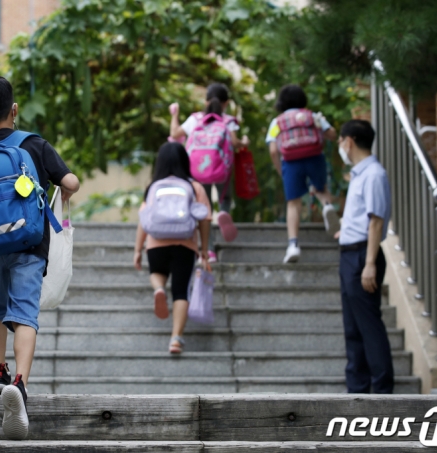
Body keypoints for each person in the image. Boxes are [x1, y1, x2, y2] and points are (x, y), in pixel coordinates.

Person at [0, 75, 80, 439]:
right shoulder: (33, 144)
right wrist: (63, 187)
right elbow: (71, 182)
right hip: (29, 246)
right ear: (14, 110)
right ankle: (20, 383)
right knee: (24, 313)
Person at [133, 142, 212, 354]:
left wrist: (137, 250)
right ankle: (176, 338)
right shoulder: (194, 186)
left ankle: (158, 288)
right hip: (185, 244)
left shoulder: (152, 186)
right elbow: (205, 218)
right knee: (181, 292)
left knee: (157, 273)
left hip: (156, 243)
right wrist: (204, 249)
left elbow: (143, 219)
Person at [335, 119, 394, 394]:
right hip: (351, 253)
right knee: (353, 328)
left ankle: (382, 392)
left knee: (369, 326)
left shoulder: (373, 174)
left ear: (350, 141)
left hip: (362, 257)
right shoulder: (360, 174)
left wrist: (369, 263)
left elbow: (376, 222)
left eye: (340, 141)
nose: (340, 147)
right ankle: (357, 392)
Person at [169, 83, 249, 262]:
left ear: (205, 101)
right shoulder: (228, 121)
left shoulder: (195, 119)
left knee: (204, 209)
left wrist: (174, 114)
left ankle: (209, 250)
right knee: (225, 197)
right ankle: (224, 213)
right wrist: (244, 142)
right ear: (226, 103)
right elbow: (235, 143)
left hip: (198, 170)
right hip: (221, 168)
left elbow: (174, 134)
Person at [266, 84, 340, 263]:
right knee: (321, 189)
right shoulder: (312, 116)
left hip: (291, 162)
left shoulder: (277, 122)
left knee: (294, 203)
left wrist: (280, 170)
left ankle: (293, 245)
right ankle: (327, 206)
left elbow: (274, 150)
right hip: (315, 157)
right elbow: (332, 134)